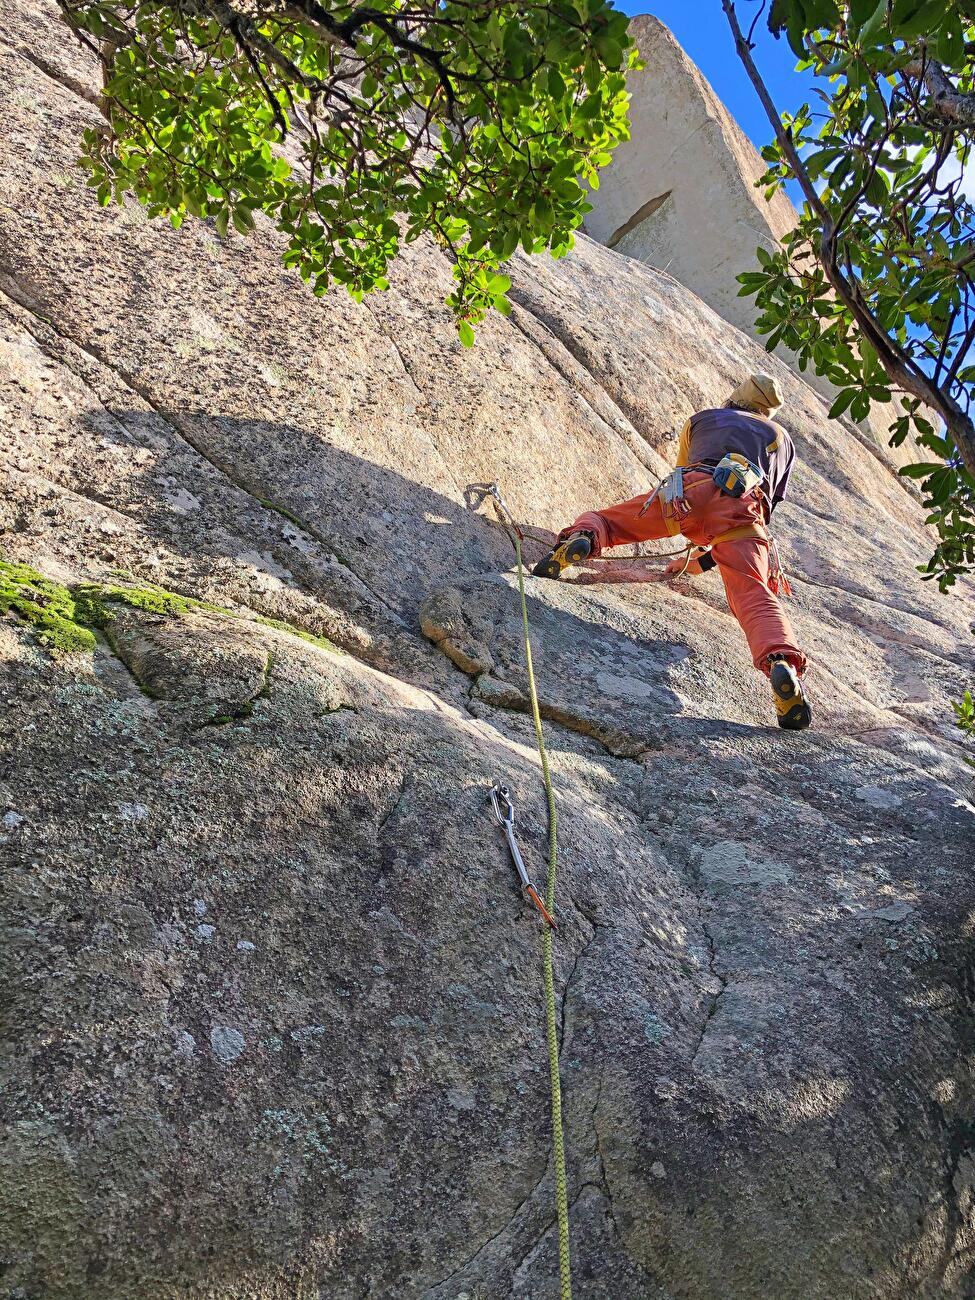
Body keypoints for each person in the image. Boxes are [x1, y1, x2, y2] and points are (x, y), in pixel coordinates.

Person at [534, 373, 811, 730]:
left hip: (685, 494)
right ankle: (780, 661)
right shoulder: (782, 440)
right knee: (755, 595)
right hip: (744, 515)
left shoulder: (704, 419)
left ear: (734, 400)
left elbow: (682, 471)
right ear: (768, 412)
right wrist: (708, 555)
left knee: (609, 521)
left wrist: (693, 540)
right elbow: (767, 500)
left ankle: (585, 537)